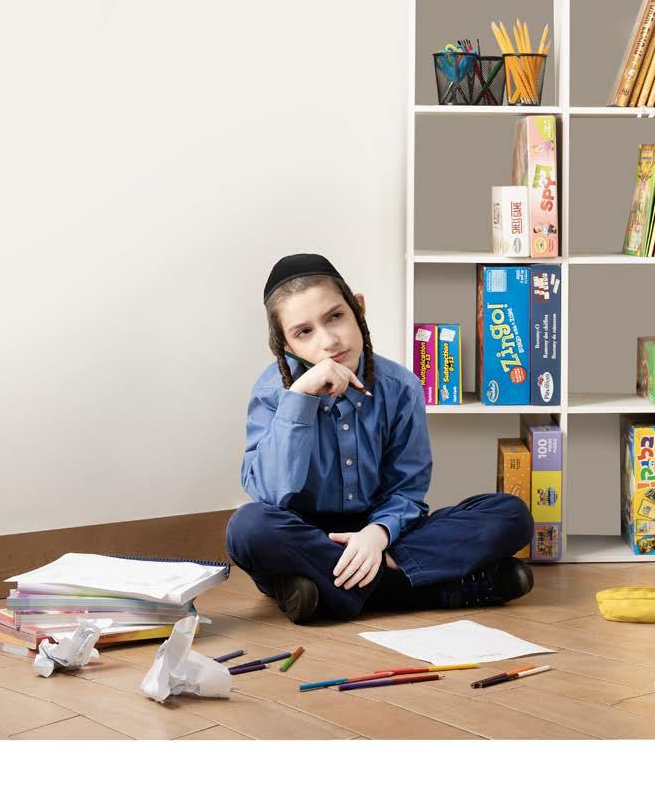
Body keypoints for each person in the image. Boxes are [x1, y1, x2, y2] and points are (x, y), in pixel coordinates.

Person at [226, 253, 534, 624]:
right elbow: (271, 493)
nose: (329, 341)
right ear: (287, 347)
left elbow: (407, 490)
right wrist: (301, 398)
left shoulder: (401, 387)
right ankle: (425, 590)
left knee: (511, 514)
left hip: (383, 534)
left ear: (358, 309)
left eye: (335, 316)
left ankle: (328, 590)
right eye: (303, 332)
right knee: (247, 529)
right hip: (305, 535)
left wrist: (376, 535)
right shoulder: (272, 392)